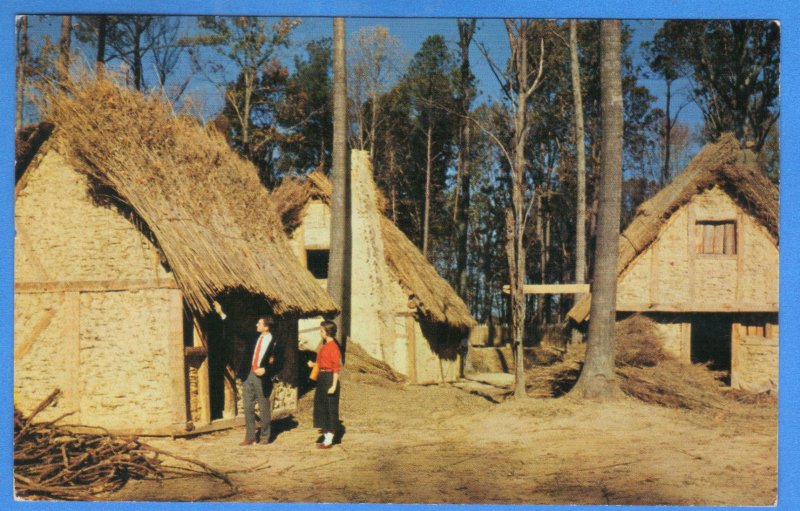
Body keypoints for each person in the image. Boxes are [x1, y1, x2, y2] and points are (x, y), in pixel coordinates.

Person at [237, 316, 283, 446]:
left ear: (266, 327)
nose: (256, 324)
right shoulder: (254, 336)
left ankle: (264, 436)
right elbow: (238, 331)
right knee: (247, 406)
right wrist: (222, 315)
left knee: (263, 407)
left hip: (263, 377)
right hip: (249, 374)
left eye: (259, 323)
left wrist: (266, 370)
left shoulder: (276, 342)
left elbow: (279, 363)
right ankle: (250, 437)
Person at [309, 320, 342, 449]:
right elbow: (323, 362)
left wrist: (333, 385)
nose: (320, 332)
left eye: (321, 330)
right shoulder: (325, 345)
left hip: (329, 378)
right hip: (322, 377)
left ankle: (329, 440)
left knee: (330, 408)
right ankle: (326, 436)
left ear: (327, 332)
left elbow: (336, 368)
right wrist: (314, 365)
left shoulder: (333, 347)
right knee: (322, 406)